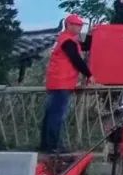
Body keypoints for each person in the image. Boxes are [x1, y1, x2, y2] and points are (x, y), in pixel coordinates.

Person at [39, 14, 93, 154]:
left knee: (51, 115)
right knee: (57, 116)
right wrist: (89, 74)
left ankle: (46, 145)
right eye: (77, 25)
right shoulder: (67, 41)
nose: (79, 28)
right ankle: (54, 146)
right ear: (69, 25)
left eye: (80, 25)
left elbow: (84, 46)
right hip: (62, 83)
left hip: (57, 82)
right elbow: (76, 59)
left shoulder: (65, 39)